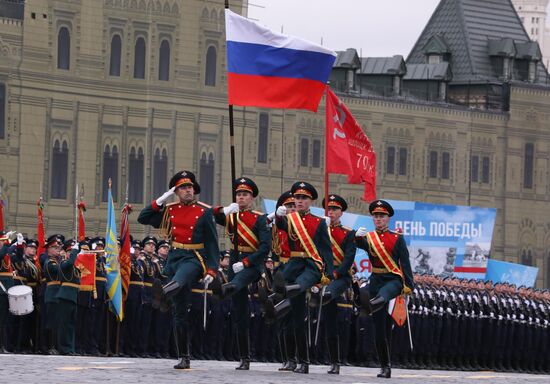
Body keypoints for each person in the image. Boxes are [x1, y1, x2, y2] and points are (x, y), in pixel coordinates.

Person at [138, 170, 219, 369]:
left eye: (190, 187)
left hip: (194, 258)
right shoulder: (170, 209)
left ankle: (162, 293)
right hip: (174, 257)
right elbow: (143, 217)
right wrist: (160, 200)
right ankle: (184, 356)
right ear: (176, 191)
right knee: (179, 312)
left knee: (181, 278)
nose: (188, 190)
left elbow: (212, 243)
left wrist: (211, 270)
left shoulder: (204, 211)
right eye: (183, 188)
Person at [263, 181, 333, 374]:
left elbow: (326, 251)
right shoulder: (290, 219)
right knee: (294, 319)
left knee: (298, 295)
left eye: (304, 198)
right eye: (297, 198)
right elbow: (282, 225)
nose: (300, 201)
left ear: (310, 201)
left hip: (310, 265)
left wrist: (327, 275)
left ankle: (304, 361)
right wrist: (278, 215)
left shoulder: (319, 223)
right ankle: (293, 359)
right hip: (293, 265)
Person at [211, 177, 271, 370]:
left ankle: (225, 288)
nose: (241, 197)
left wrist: (246, 262)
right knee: (240, 313)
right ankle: (245, 357)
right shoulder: (231, 215)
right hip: (235, 261)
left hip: (252, 264)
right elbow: (210, 215)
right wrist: (225, 210)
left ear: (252, 198)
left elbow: (265, 248)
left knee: (239, 281)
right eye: (238, 194)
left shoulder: (260, 218)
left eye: (245, 194)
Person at [355, 200, 414, 378]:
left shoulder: (397, 238)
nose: (378, 219)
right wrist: (356, 237)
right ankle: (385, 366)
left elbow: (405, 262)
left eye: (382, 216)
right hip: (376, 278)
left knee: (384, 294)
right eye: (376, 216)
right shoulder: (370, 237)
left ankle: (368, 305)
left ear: (388, 218)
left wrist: (409, 285)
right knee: (380, 330)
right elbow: (357, 245)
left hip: (393, 279)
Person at [321, 194, 356, 374]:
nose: (331, 212)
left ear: (341, 213)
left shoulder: (348, 233)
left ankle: (336, 361)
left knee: (328, 295)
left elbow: (349, 258)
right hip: (323, 276)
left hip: (340, 277)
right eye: (329, 209)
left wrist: (334, 273)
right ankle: (333, 360)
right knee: (329, 323)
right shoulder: (319, 229)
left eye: (335, 209)